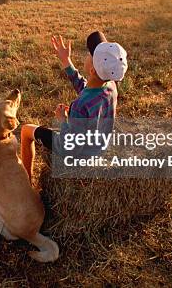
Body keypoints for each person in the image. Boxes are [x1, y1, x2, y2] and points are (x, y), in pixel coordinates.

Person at [19, 31, 128, 180]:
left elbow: (71, 149)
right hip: (99, 147)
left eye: (90, 54)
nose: (88, 55)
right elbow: (86, 88)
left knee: (26, 130)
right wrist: (66, 60)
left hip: (82, 155)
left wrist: (63, 121)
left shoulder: (79, 105)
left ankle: (27, 181)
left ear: (92, 70)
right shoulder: (111, 85)